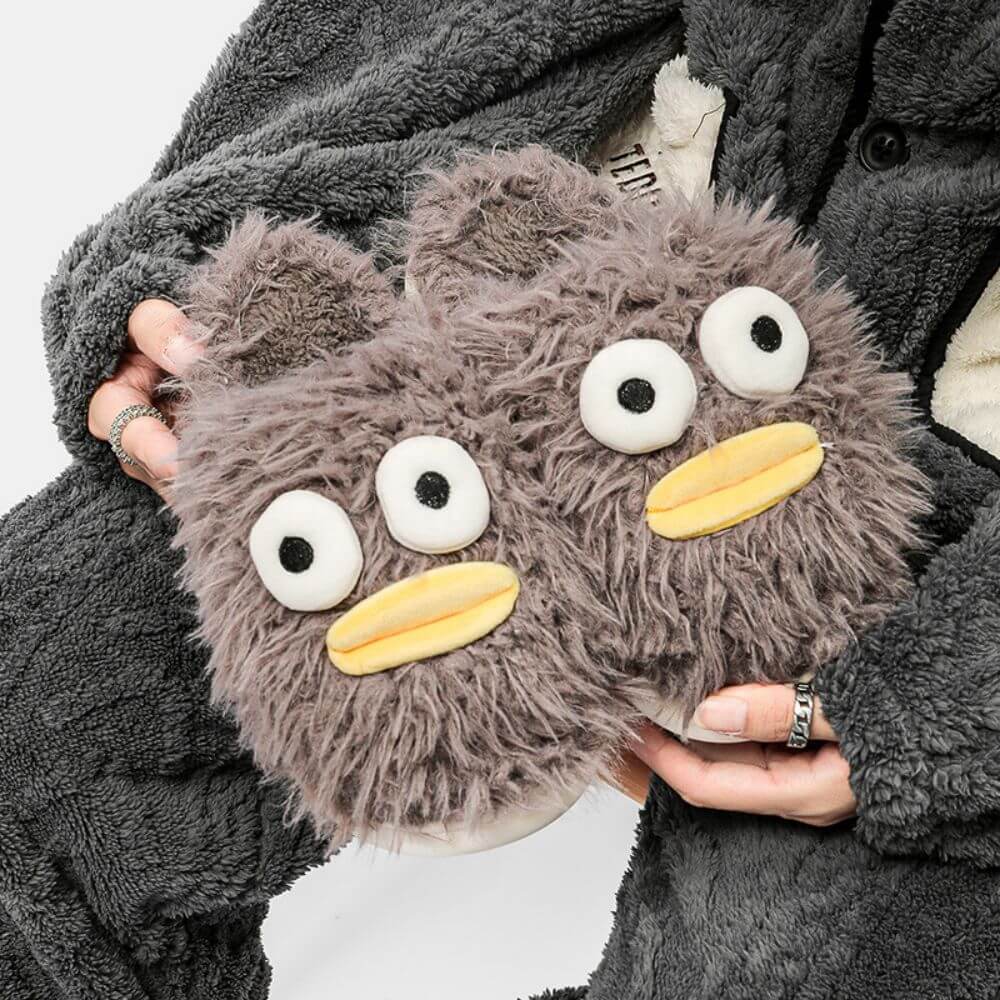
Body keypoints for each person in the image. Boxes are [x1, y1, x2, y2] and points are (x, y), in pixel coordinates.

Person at [2, 1, 998, 998]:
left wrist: (956, 703)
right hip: (515, 312)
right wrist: (196, 277)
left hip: (947, 507)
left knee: (807, 963)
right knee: (29, 704)